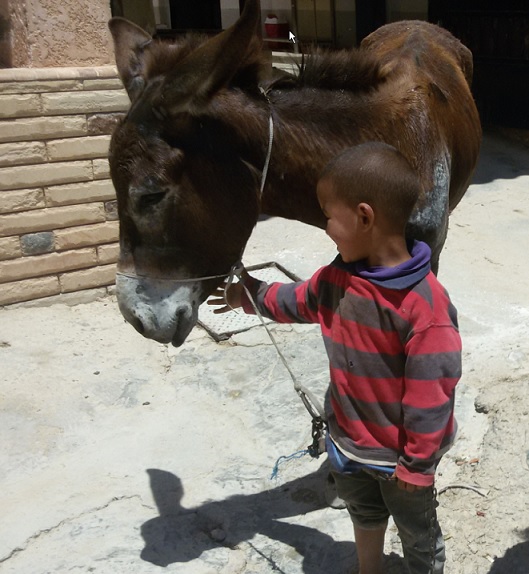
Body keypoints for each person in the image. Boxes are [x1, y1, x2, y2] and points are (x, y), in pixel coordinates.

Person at [208, 141, 461, 574]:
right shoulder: (335, 280)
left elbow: (431, 399)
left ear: (364, 217)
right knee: (364, 515)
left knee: (418, 537)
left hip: (400, 460)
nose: (325, 228)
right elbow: (293, 300)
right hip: (347, 443)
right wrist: (247, 293)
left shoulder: (426, 309)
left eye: (328, 216)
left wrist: (417, 468)